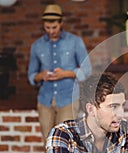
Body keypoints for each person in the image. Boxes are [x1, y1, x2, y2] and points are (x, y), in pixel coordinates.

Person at [27, 4, 91, 144]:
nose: (51, 31)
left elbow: (87, 70)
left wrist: (66, 73)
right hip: (45, 100)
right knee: (48, 142)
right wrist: (41, 76)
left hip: (68, 99)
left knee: (65, 141)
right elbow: (31, 75)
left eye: (54, 27)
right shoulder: (37, 46)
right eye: (47, 28)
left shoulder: (75, 42)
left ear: (61, 23)